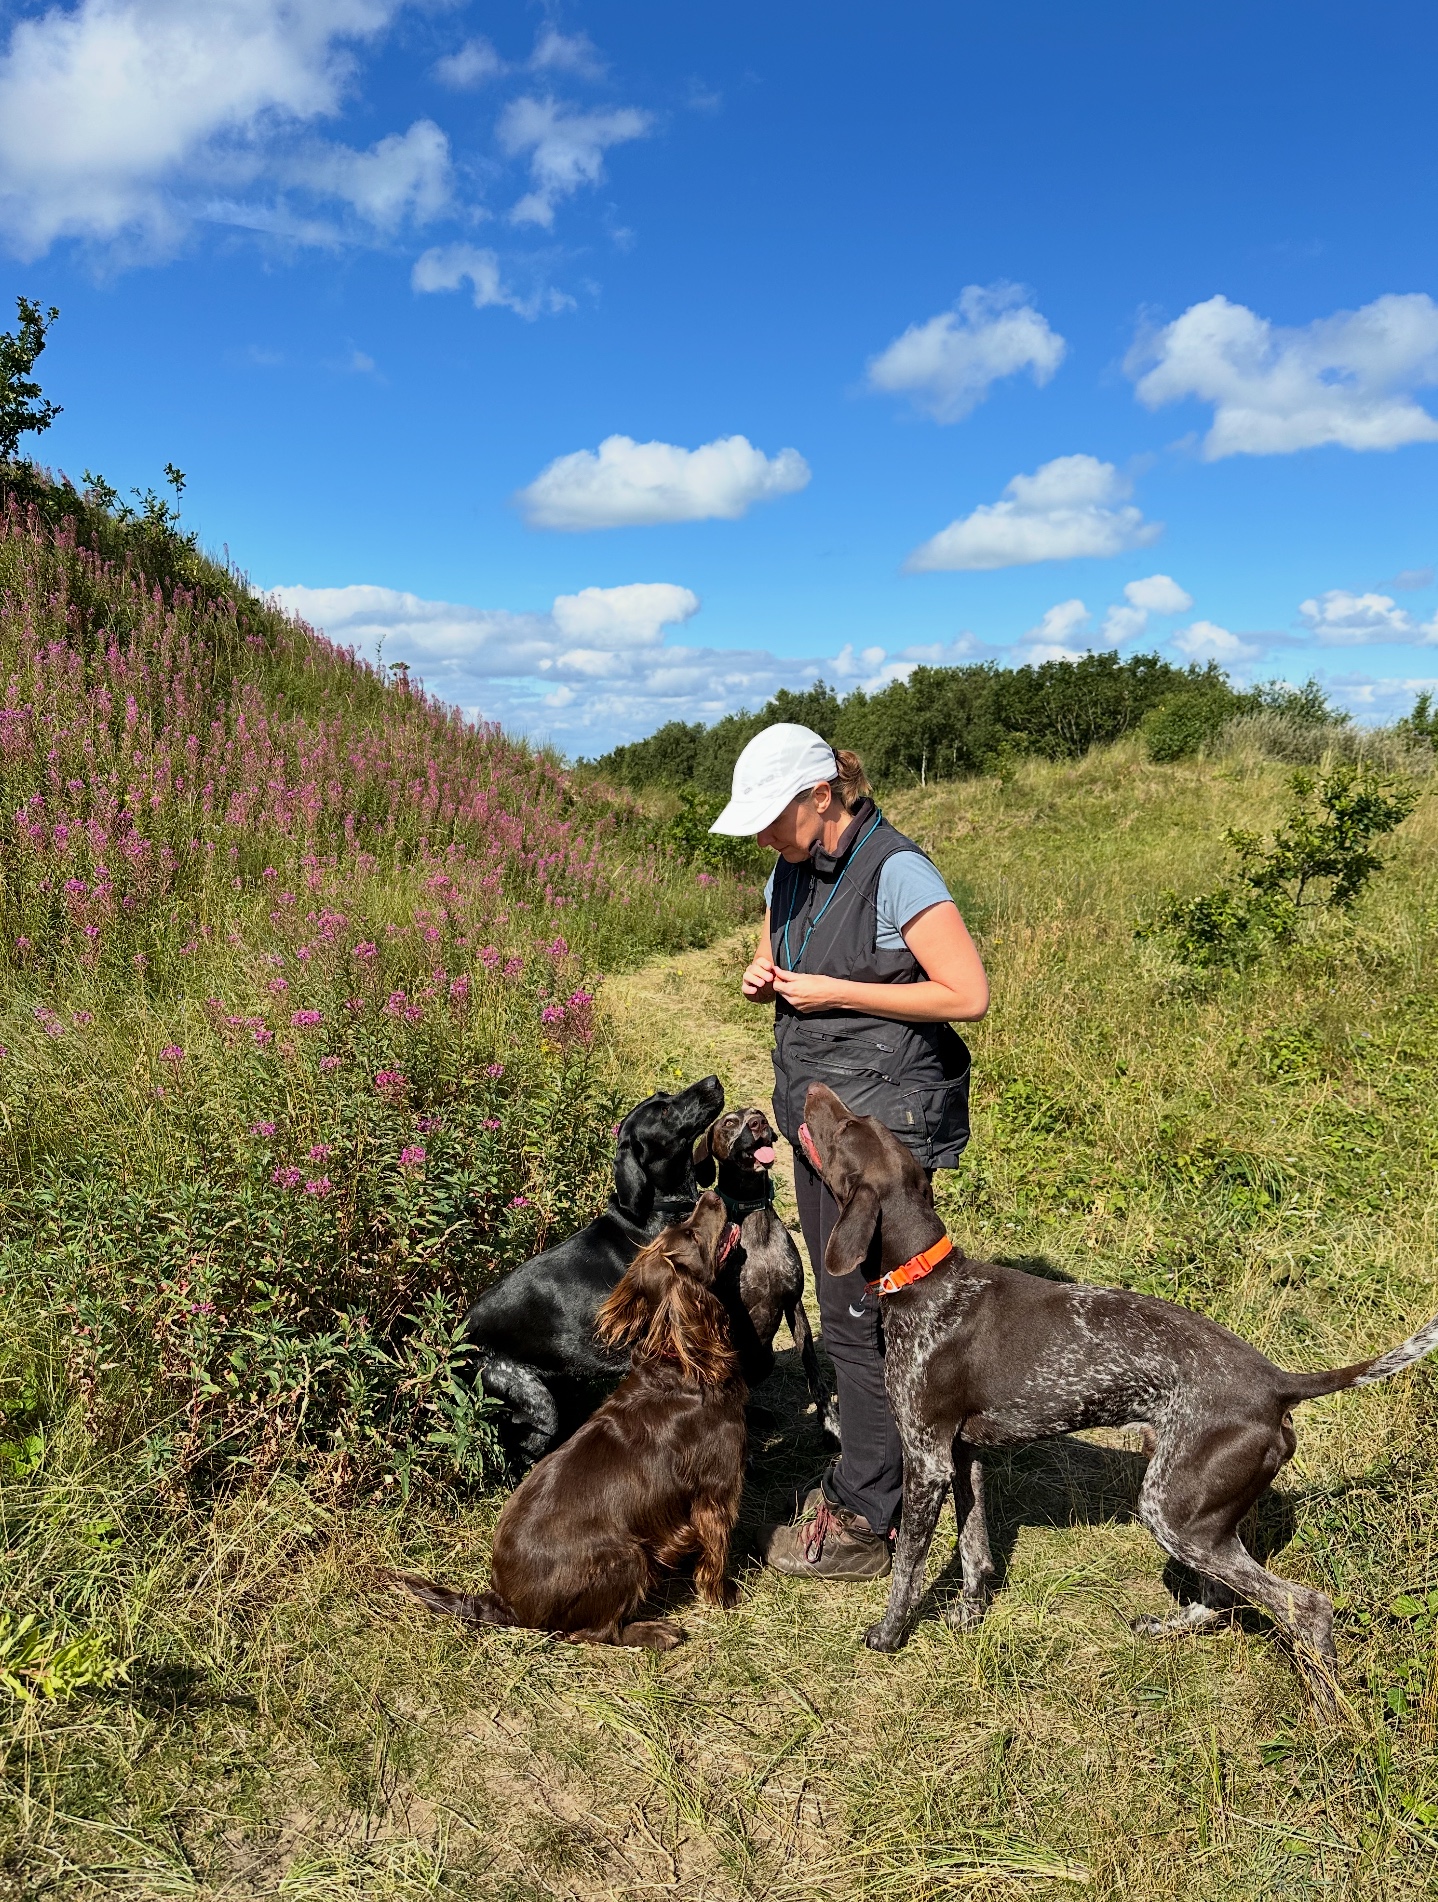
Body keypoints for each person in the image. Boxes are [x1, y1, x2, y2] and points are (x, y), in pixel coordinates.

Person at [710, 722, 989, 1578]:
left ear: (821, 796)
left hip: (883, 1127)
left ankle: (872, 1514)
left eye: (771, 815)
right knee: (850, 1305)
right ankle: (897, 1472)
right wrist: (763, 974)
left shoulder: (899, 871)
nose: (760, 834)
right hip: (820, 1116)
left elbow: (966, 994)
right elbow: (772, 948)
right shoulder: (784, 871)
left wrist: (837, 990)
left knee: (868, 1310)